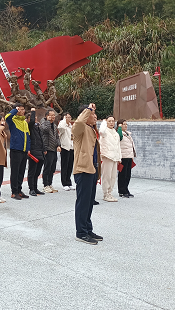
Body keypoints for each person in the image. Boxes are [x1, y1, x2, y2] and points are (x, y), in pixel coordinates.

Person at [72, 103, 103, 245]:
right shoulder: (80, 128)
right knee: (83, 203)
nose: (95, 116)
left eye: (95, 114)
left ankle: (87, 229)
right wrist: (88, 109)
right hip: (83, 169)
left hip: (92, 170)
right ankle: (81, 233)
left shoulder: (91, 129)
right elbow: (78, 123)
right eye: (92, 114)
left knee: (89, 203)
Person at [5, 104, 30, 200]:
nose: (23, 111)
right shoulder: (13, 120)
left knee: (21, 171)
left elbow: (28, 136)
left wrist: (28, 148)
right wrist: (15, 110)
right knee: (15, 171)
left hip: (24, 150)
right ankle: (14, 192)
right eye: (20, 109)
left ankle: (19, 190)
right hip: (16, 149)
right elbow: (7, 117)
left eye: (23, 109)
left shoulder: (24, 122)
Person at [99, 115, 122, 202]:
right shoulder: (105, 131)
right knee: (107, 176)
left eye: (113, 121)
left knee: (113, 177)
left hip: (115, 157)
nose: (111, 123)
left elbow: (118, 146)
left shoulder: (115, 133)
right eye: (109, 121)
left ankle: (110, 193)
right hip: (107, 156)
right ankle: (106, 194)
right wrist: (104, 122)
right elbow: (101, 131)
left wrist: (119, 157)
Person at [39, 109, 61, 193]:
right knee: (47, 167)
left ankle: (50, 183)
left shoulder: (54, 125)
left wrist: (58, 145)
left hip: (54, 148)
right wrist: (48, 121)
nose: (53, 117)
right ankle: (45, 185)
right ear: (46, 116)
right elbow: (45, 130)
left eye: (53, 115)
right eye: (51, 115)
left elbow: (57, 137)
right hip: (47, 148)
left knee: (52, 168)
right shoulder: (43, 123)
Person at [27, 108, 45, 196]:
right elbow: (31, 121)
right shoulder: (29, 126)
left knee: (37, 172)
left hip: (40, 151)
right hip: (33, 152)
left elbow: (41, 139)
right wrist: (33, 111)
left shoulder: (38, 127)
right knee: (32, 171)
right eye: (33, 117)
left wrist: (44, 149)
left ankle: (35, 187)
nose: (35, 119)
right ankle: (31, 189)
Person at [116, 119, 136, 198]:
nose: (125, 125)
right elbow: (119, 137)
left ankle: (126, 189)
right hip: (123, 157)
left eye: (126, 124)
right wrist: (119, 128)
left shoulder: (128, 134)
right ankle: (121, 191)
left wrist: (132, 156)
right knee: (122, 175)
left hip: (129, 156)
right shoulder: (119, 133)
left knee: (128, 174)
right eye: (123, 124)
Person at [58, 112, 75, 191]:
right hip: (64, 147)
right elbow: (61, 128)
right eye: (67, 117)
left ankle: (69, 182)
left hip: (71, 147)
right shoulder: (62, 125)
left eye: (70, 117)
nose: (69, 119)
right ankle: (64, 183)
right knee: (64, 166)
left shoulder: (70, 126)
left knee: (70, 166)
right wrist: (64, 120)